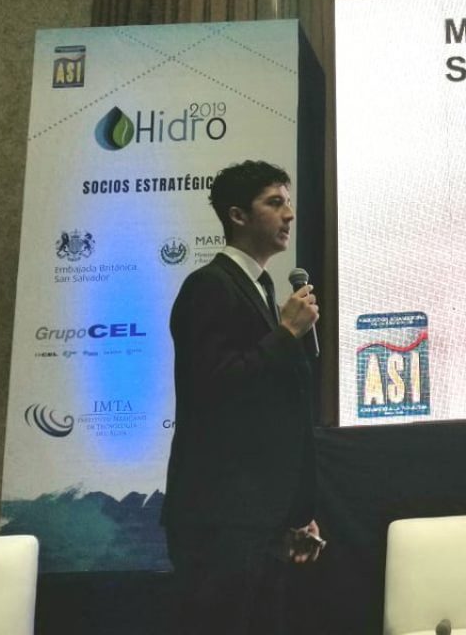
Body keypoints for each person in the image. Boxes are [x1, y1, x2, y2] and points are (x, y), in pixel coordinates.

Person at [163, 160, 323, 634]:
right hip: (220, 521)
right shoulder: (209, 286)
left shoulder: (262, 288)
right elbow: (213, 389)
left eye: (288, 202)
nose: (289, 214)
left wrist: (295, 513)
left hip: (260, 520)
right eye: (274, 203)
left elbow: (273, 416)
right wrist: (285, 334)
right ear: (238, 216)